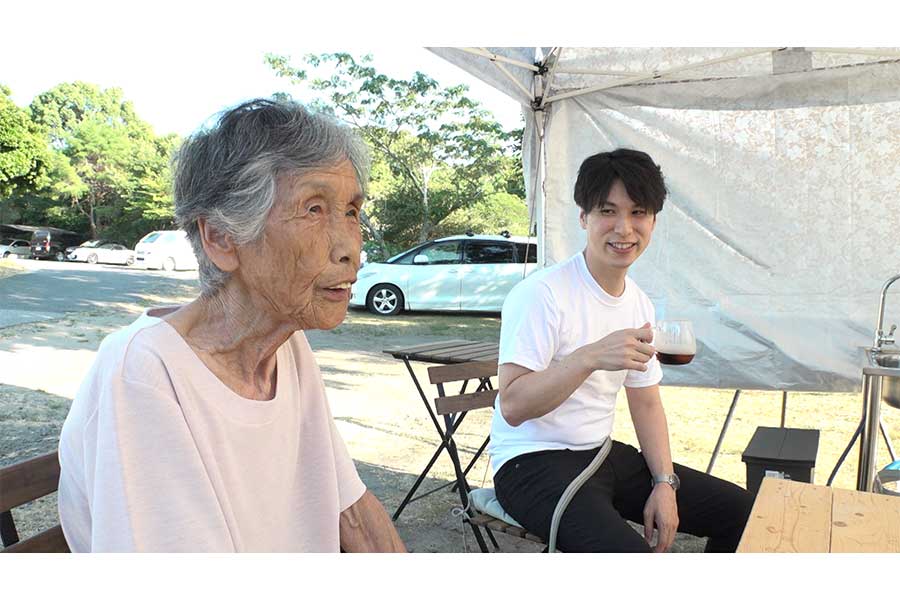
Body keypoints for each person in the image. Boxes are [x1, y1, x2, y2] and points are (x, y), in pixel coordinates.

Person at [57, 99, 406, 553]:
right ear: (221, 238)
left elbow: (352, 515)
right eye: (315, 209)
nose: (350, 249)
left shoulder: (286, 349)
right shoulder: (144, 373)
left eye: (352, 211)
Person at [489, 148, 753, 552]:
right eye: (608, 211)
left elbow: (646, 404)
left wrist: (665, 484)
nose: (624, 229)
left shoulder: (639, 304)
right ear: (584, 218)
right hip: (531, 464)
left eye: (638, 213)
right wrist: (589, 357)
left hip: (601, 454)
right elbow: (513, 405)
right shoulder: (542, 294)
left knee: (743, 512)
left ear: (653, 221)